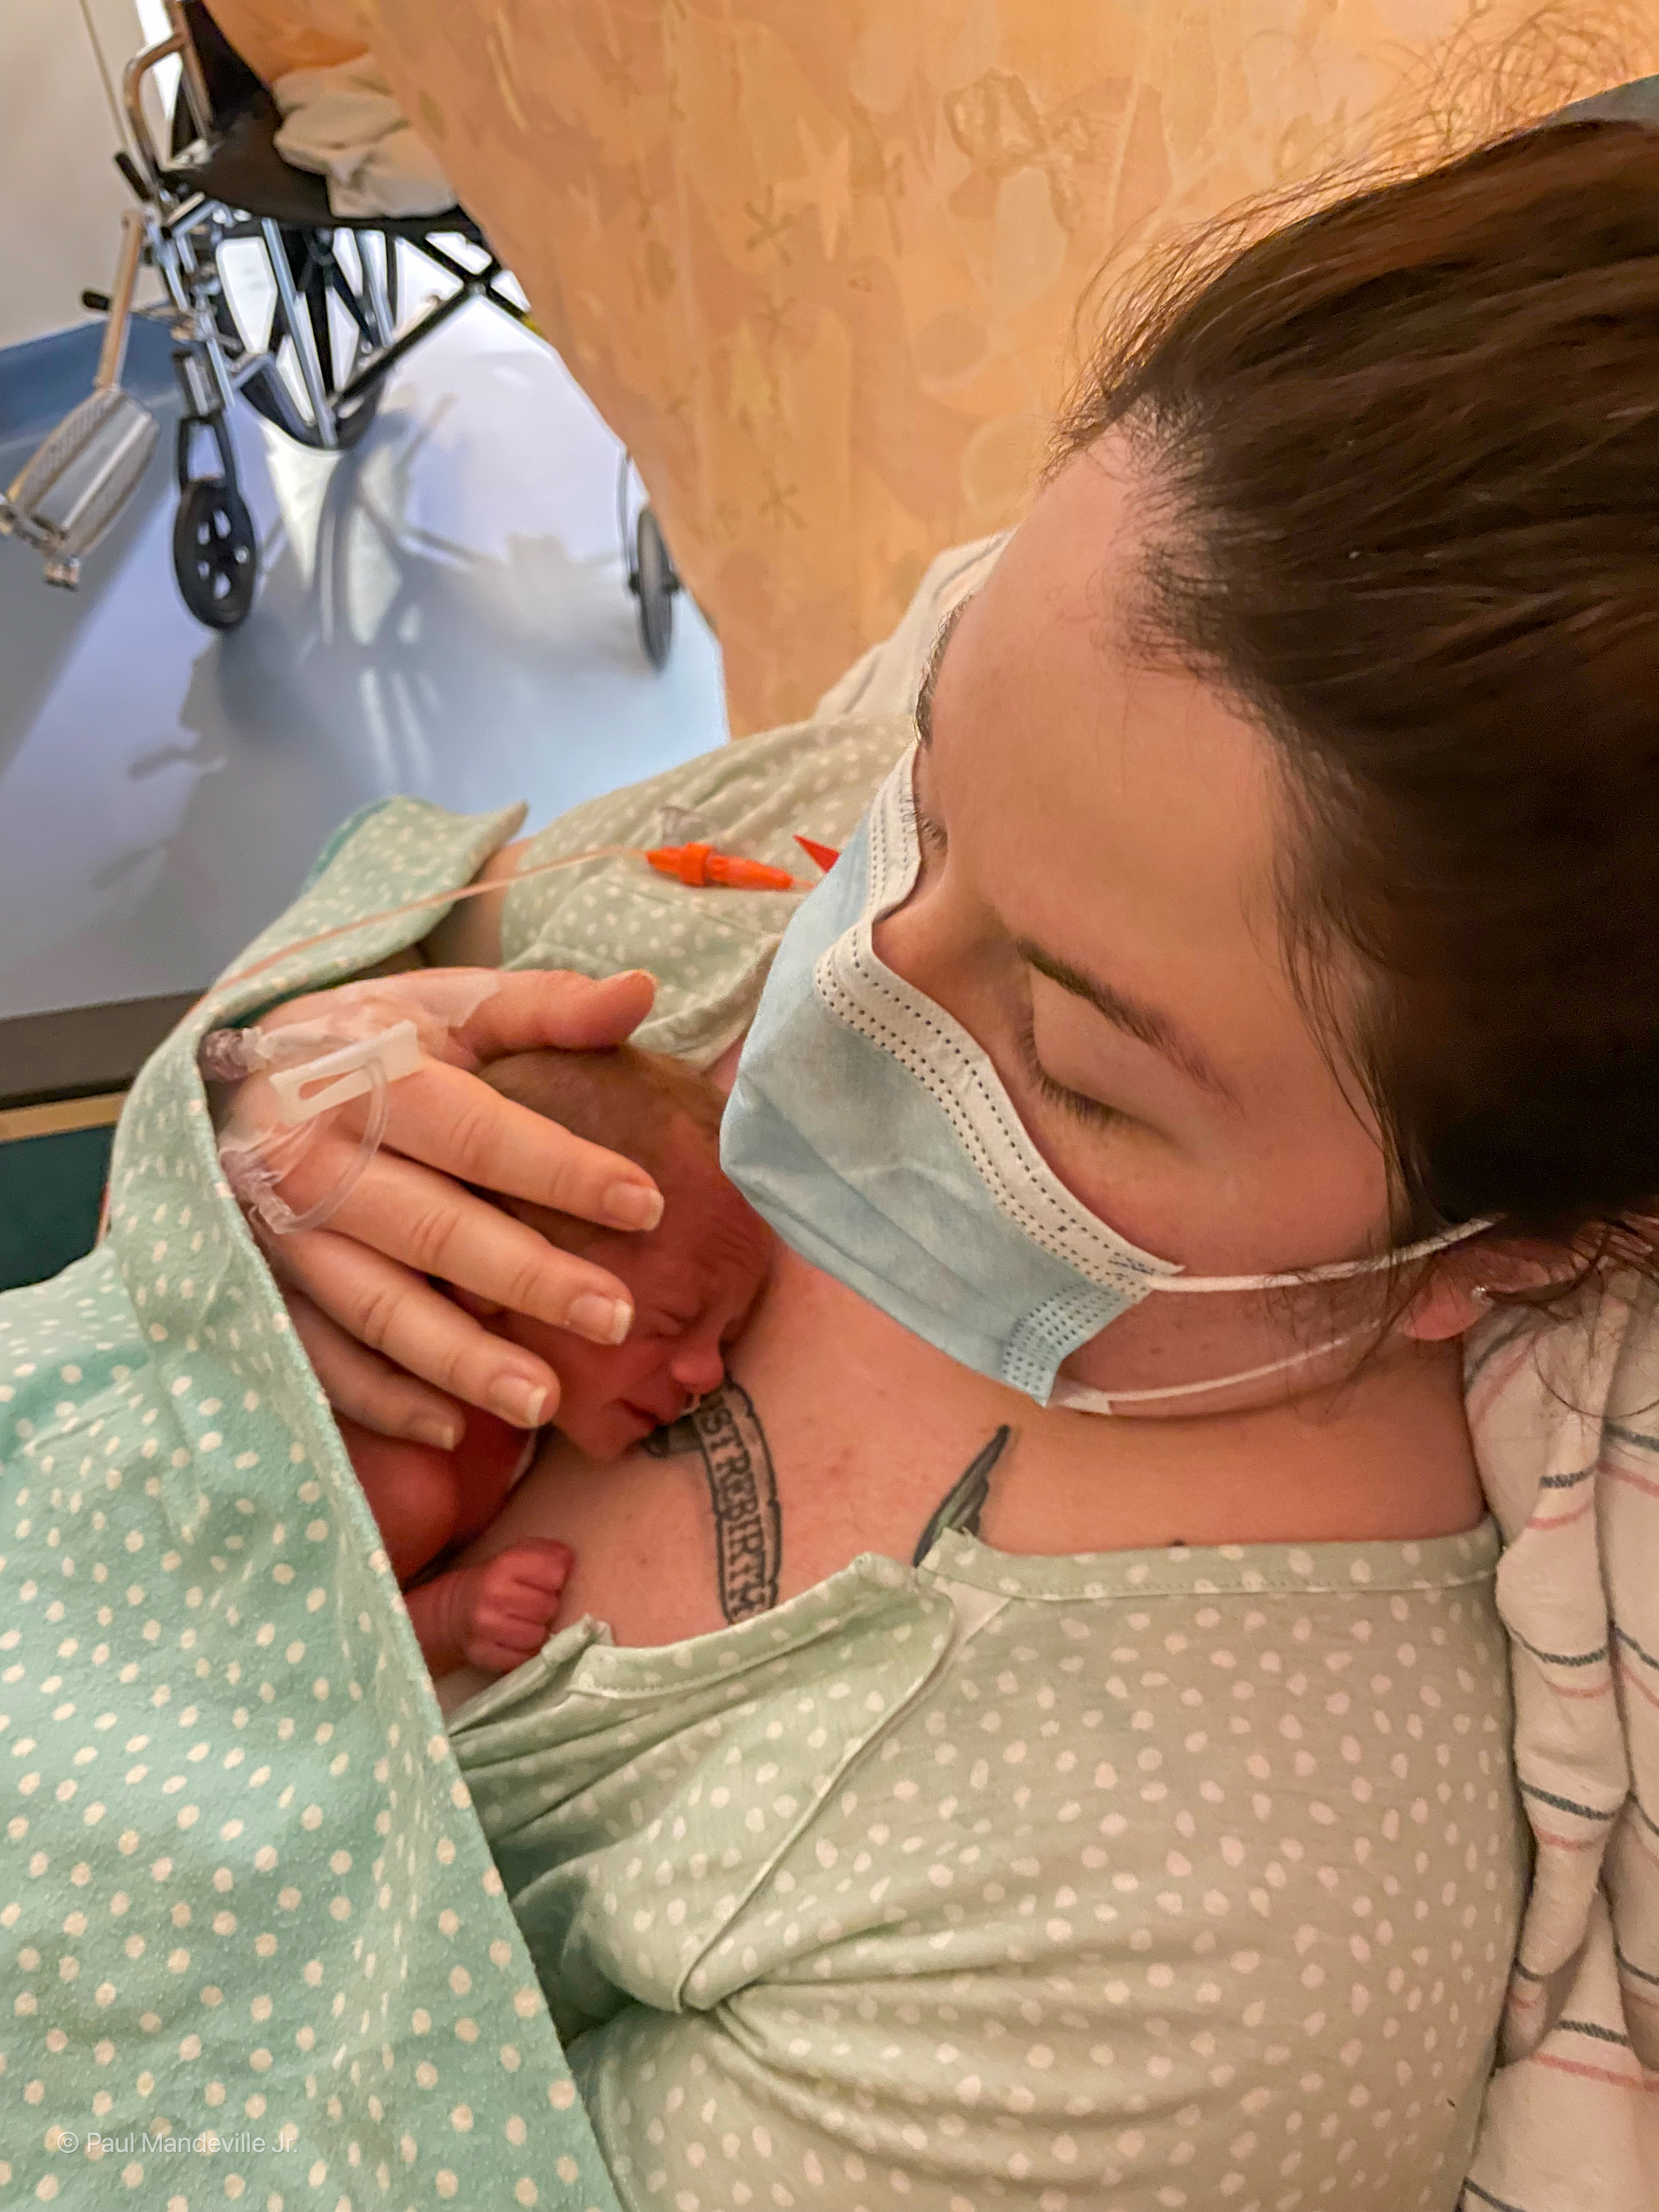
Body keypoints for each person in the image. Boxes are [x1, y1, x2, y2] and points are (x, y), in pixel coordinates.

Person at [230, 116, 1659, 2206]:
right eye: (932, 779)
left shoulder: (1179, 1979)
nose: (841, 978)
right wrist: (274, 1100)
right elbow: (351, 973)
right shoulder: (1059, 739)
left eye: (1074, 1065)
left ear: (1498, 1247)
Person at [341, 1042, 771, 1675]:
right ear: (487, 1270)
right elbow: (290, 1651)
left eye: (726, 1340)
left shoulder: (527, 1413)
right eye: (672, 1322)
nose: (708, 1374)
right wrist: (444, 1621)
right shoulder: (402, 1477)